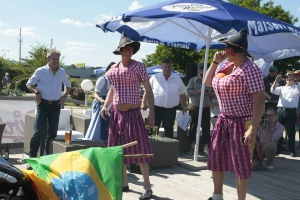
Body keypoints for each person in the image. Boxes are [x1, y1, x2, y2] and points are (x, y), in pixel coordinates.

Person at [203, 29, 265, 200]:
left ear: (237, 50)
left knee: (241, 164)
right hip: (223, 119)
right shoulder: (226, 65)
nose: (225, 50)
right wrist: (215, 63)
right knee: (216, 157)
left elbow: (260, 101)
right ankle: (217, 196)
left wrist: (252, 128)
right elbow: (207, 82)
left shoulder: (250, 69)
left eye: (228, 48)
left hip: (242, 122)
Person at [100, 32, 155, 199]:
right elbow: (112, 89)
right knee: (118, 149)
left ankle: (147, 187)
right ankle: (124, 183)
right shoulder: (113, 69)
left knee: (141, 150)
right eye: (125, 47)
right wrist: (105, 105)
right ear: (120, 50)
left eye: (130, 47)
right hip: (116, 114)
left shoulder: (139, 66)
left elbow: (148, 89)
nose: (128, 50)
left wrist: (152, 113)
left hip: (133, 113)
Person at [26, 49, 71, 158]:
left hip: (56, 106)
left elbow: (68, 85)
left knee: (52, 134)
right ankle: (31, 158)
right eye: (53, 59)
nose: (56, 61)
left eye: (57, 59)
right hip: (43, 105)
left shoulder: (62, 72)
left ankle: (47, 158)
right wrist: (36, 92)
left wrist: (64, 96)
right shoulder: (40, 71)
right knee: (38, 132)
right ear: (48, 59)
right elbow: (29, 84)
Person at [142, 58, 187, 139]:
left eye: (169, 66)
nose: (167, 68)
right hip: (156, 109)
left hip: (170, 110)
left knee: (169, 130)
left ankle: (168, 150)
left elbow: (182, 94)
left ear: (171, 67)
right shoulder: (154, 78)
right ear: (162, 68)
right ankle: (153, 149)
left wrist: (184, 106)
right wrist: (143, 103)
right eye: (165, 66)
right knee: (153, 129)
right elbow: (147, 91)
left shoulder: (178, 79)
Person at [84, 62, 115, 143]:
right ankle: (96, 140)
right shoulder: (102, 79)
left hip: (110, 104)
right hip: (100, 103)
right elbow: (95, 94)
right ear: (108, 69)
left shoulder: (114, 80)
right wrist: (102, 101)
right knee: (98, 124)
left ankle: (108, 140)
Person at [271, 71, 299, 157]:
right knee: (279, 130)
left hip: (291, 111)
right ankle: (279, 148)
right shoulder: (282, 88)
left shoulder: (297, 87)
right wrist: (276, 80)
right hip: (281, 110)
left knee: (291, 131)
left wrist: (294, 79)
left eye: (290, 77)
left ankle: (292, 150)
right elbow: (273, 90)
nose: (288, 78)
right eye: (286, 77)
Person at [186, 65, 213, 155]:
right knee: (193, 127)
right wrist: (199, 91)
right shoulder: (192, 80)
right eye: (202, 75)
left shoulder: (211, 81)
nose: (203, 77)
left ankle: (206, 148)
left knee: (206, 128)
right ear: (199, 72)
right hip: (194, 107)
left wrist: (208, 93)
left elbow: (215, 94)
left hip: (206, 107)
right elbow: (189, 93)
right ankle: (192, 147)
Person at [253, 107, 284, 172]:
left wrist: (264, 128)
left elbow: (271, 140)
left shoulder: (280, 127)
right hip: (257, 149)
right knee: (250, 167)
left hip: (267, 148)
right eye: (268, 115)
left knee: (271, 145)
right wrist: (255, 125)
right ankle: (258, 160)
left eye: (272, 115)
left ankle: (269, 164)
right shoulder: (262, 122)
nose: (270, 117)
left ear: (276, 115)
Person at [293, 70, 300, 149]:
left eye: (297, 75)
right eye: (295, 75)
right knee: (294, 126)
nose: (296, 77)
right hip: (294, 107)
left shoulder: (297, 84)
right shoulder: (293, 84)